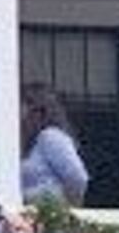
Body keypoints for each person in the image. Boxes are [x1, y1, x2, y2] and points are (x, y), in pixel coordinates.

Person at [18, 83, 93, 211]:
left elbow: (78, 179)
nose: (20, 115)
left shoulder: (50, 137)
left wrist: (66, 212)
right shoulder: (28, 142)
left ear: (39, 111)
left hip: (50, 217)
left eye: (24, 105)